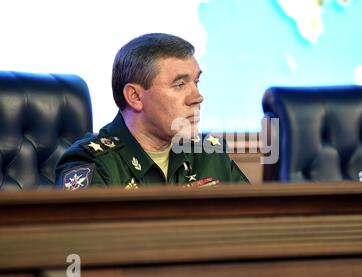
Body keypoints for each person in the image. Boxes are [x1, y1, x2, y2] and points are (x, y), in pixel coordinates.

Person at [55, 33, 249, 190]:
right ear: (135, 97)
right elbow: (81, 238)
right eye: (180, 85)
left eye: (196, 82)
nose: (197, 97)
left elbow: (255, 226)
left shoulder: (208, 154)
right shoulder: (92, 164)